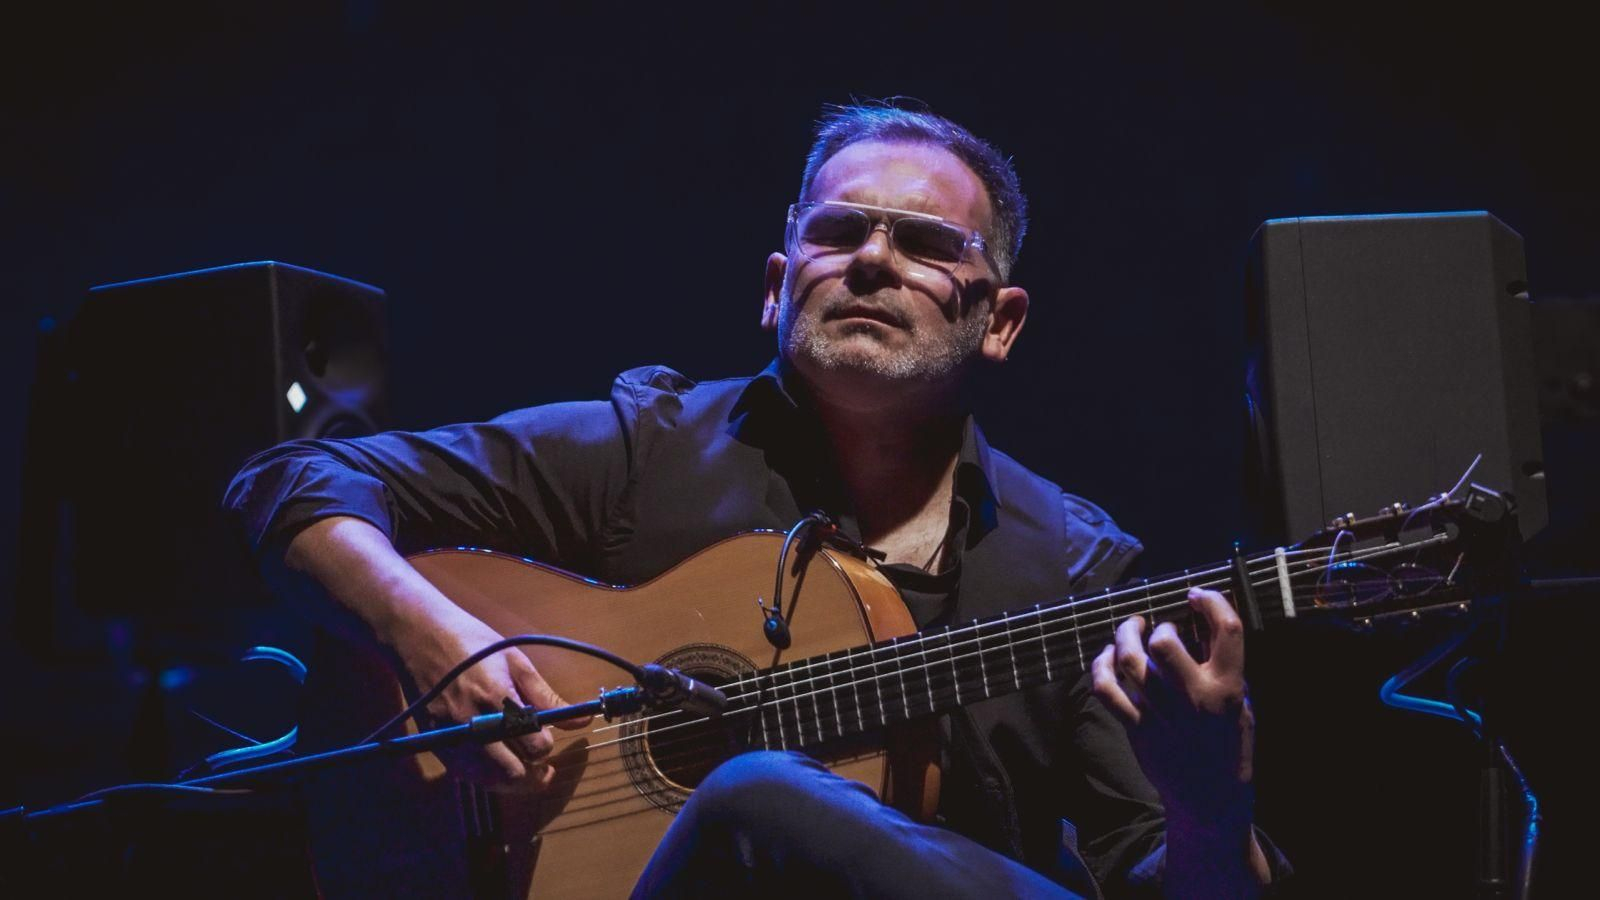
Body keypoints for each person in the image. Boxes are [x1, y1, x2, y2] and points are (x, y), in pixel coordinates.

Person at [227, 103, 1287, 897]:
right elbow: (293, 478)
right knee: (752, 793)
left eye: (924, 246)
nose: (872, 258)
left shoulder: (1070, 568)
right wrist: (427, 635)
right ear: (779, 285)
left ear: (998, 322)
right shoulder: (651, 447)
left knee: (757, 792)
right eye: (840, 231)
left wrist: (1209, 810)